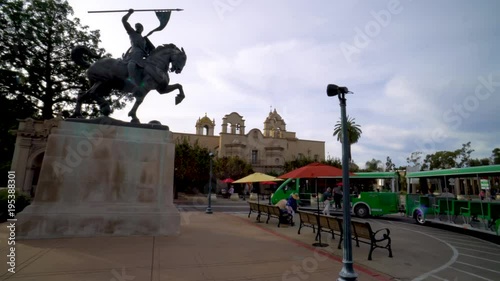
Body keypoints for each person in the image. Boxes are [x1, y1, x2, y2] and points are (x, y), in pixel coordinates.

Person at [122, 9, 155, 89]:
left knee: (149, 67)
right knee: (134, 60)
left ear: (142, 29)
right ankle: (130, 78)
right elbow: (124, 21)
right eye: (137, 27)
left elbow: (152, 49)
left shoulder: (143, 39)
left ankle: (143, 83)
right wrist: (129, 13)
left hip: (143, 55)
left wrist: (147, 41)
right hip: (135, 51)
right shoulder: (132, 33)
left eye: (139, 27)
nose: (138, 28)